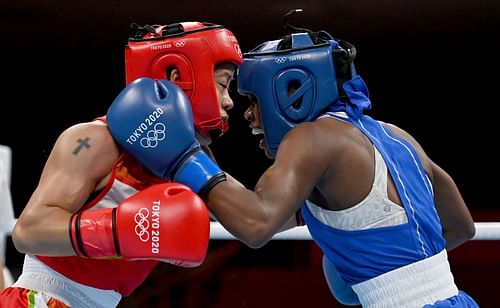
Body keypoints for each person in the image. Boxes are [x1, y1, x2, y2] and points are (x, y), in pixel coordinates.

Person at [104, 20, 479, 307]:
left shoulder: (311, 138)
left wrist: (185, 157)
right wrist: (378, 262)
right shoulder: (395, 136)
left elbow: (255, 226)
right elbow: (461, 227)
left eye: (253, 99)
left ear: (291, 90)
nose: (248, 115)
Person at [0, 21, 242, 307]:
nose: (229, 102)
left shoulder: (191, 165)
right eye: (223, 85)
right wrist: (117, 231)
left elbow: (253, 221)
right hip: (40, 299)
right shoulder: (94, 140)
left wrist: (307, 196)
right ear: (178, 76)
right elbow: (28, 232)